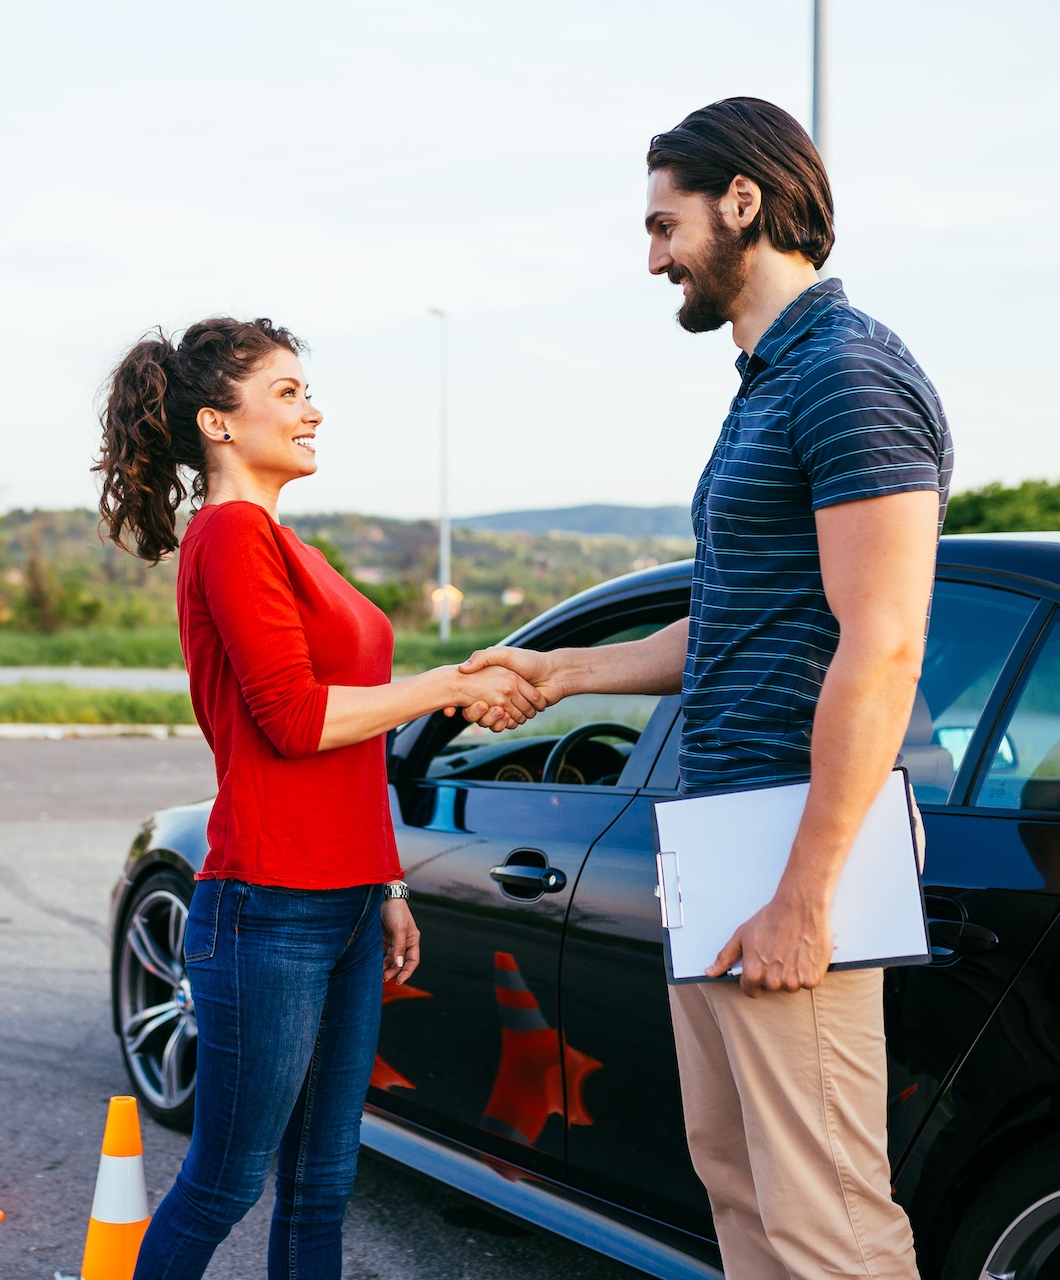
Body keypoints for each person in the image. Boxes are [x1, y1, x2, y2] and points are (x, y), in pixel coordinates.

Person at [463, 99, 951, 1279]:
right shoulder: (766, 384)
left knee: (828, 1210)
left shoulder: (847, 372)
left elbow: (882, 643)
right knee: (737, 1177)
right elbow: (738, 617)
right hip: (724, 821)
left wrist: (806, 890)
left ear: (744, 200)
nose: (652, 259)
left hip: (794, 828)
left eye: (661, 223)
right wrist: (567, 669)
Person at [94, 316, 544, 1280]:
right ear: (219, 421)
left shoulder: (280, 543)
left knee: (321, 1183)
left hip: (338, 899)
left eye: (308, 392)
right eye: (289, 393)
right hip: (268, 904)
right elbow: (297, 719)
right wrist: (455, 683)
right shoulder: (229, 536)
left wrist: (384, 881)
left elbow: (354, 743)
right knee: (225, 1181)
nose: (314, 410)